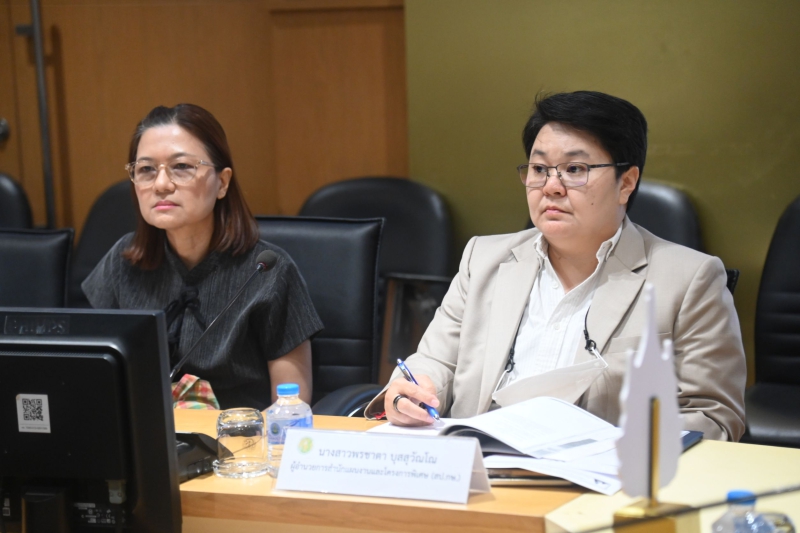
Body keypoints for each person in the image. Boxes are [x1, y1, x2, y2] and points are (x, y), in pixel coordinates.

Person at [365, 91, 746, 441]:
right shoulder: (483, 259)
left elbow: (712, 416)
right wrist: (411, 391)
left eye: (575, 169)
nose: (551, 186)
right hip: (476, 466)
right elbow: (435, 361)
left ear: (626, 183)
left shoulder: (689, 278)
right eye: (539, 169)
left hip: (598, 480)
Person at [83, 104, 323, 410]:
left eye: (182, 167)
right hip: (149, 434)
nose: (161, 184)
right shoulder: (122, 263)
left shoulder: (267, 271)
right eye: (146, 170)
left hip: (242, 436)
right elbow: (97, 380)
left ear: (222, 182)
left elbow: (290, 407)